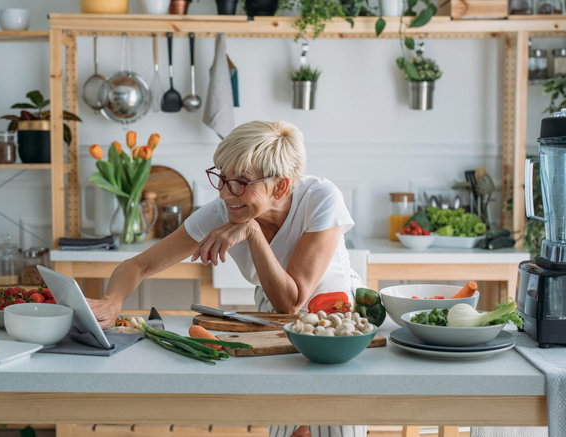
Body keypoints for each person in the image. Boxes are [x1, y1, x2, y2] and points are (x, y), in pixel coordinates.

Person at [87, 120, 365, 437]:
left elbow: (293, 299)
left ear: (281, 186)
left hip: (339, 315)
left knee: (335, 422)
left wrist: (253, 233)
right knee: (288, 426)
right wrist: (111, 301)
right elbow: (139, 265)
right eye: (222, 177)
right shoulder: (224, 208)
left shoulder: (320, 198)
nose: (224, 192)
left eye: (241, 182)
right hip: (272, 314)